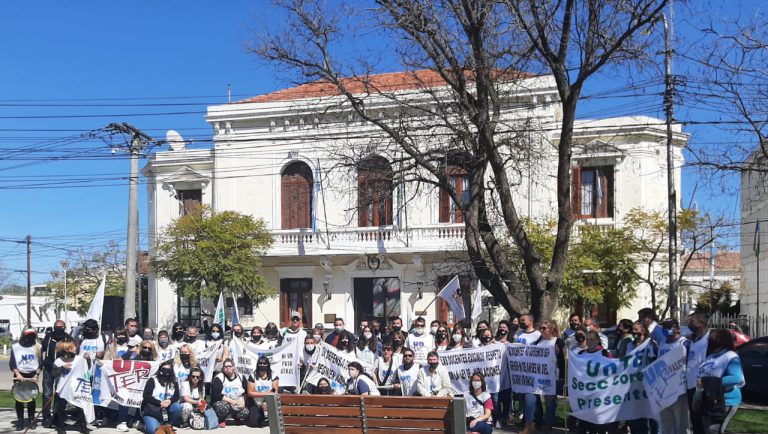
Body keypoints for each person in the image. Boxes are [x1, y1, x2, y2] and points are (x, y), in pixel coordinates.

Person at [694, 328, 744, 434]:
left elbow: (736, 378)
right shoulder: (710, 357)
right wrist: (697, 397)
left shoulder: (731, 357)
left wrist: (708, 383)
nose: (710, 341)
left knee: (714, 430)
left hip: (726, 400)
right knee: (706, 430)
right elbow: (701, 378)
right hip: (708, 399)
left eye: (714, 339)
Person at [522, 321, 564, 434]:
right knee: (530, 398)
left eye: (544, 328)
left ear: (552, 329)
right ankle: (531, 424)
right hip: (536, 376)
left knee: (550, 403)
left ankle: (548, 426)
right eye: (540, 328)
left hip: (551, 377)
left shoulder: (558, 342)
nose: (541, 330)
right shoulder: (539, 341)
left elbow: (562, 360)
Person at [657, 318, 690, 434]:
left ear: (676, 328)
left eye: (669, 326)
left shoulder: (684, 343)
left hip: (678, 389)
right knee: (666, 420)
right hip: (664, 388)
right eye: (664, 327)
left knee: (681, 420)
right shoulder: (662, 343)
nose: (666, 329)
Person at [51, 340, 88, 434]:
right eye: (73, 347)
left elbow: (86, 370)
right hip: (62, 388)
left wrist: (88, 359)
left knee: (80, 406)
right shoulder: (59, 361)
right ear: (67, 350)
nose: (76, 348)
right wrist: (63, 368)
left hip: (76, 387)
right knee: (60, 408)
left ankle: (82, 425)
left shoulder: (79, 359)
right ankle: (60, 426)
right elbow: (53, 373)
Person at [41, 320, 73, 428]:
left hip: (62, 369)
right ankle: (46, 417)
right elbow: (42, 350)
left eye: (61, 326)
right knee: (47, 394)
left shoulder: (68, 338)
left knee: (59, 394)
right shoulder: (49, 337)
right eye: (56, 326)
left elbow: (72, 353)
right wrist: (43, 364)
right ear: (54, 327)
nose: (59, 328)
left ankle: (57, 416)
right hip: (49, 368)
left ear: (64, 327)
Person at [10, 327, 41, 431]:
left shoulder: (37, 347)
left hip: (32, 375)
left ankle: (31, 421)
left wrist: (37, 374)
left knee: (31, 399)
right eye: (28, 335)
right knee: (19, 399)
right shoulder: (15, 347)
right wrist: (18, 374)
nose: (30, 337)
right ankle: (20, 422)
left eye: (32, 335)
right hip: (19, 376)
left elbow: (40, 363)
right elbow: (12, 363)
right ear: (23, 335)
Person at [141, 360, 181, 434]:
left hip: (166, 409)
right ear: (159, 370)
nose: (166, 371)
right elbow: (146, 395)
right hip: (152, 411)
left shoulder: (174, 381)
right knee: (153, 430)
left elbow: (176, 395)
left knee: (177, 406)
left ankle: (168, 424)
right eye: (163, 369)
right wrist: (160, 402)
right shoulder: (153, 380)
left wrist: (170, 401)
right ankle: (147, 424)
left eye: (168, 370)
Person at [687, 312, 710, 434]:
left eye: (692, 321)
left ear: (701, 323)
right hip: (691, 386)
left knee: (703, 423)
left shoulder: (709, 338)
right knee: (695, 423)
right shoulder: (692, 339)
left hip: (702, 387)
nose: (689, 323)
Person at [211, 358, 249, 427]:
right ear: (223, 368)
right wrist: (231, 401)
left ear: (233, 367)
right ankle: (221, 419)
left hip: (238, 402)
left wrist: (243, 400)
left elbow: (247, 392)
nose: (228, 368)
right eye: (226, 366)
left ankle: (236, 417)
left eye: (230, 366)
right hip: (225, 402)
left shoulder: (241, 377)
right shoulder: (219, 377)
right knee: (222, 407)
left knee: (245, 413)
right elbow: (217, 394)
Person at [247, 356, 279, 427]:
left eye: (264, 363)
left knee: (275, 421)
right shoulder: (253, 376)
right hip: (257, 402)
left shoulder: (273, 375)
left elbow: (275, 391)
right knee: (254, 422)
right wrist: (265, 393)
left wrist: (266, 401)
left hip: (270, 401)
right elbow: (250, 393)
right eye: (260, 363)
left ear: (268, 364)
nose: (262, 365)